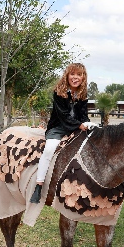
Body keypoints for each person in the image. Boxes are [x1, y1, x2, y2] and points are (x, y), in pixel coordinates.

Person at [30, 63, 92, 204]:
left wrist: (88, 124)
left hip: (75, 127)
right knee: (49, 149)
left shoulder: (82, 94)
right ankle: (39, 185)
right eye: (72, 74)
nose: (75, 77)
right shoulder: (59, 92)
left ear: (83, 77)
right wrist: (79, 125)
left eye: (79, 74)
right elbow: (63, 116)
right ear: (67, 75)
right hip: (58, 127)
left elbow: (83, 115)